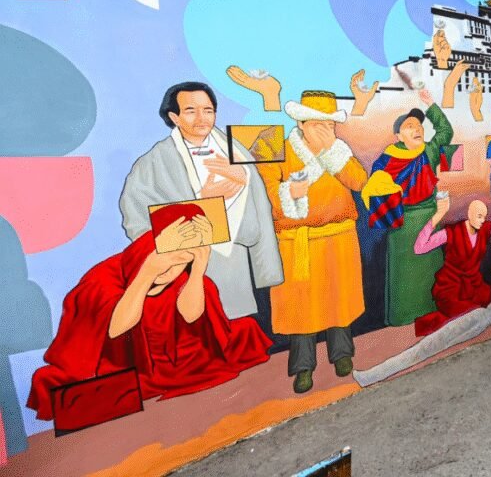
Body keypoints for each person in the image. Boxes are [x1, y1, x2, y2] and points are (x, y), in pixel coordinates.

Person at [27, 204, 271, 423]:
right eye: (169, 256)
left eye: (182, 261)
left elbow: (191, 316)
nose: (171, 268)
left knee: (245, 331)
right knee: (62, 390)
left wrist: (197, 269)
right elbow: (116, 329)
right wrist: (147, 273)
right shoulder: (104, 279)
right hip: (125, 364)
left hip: (177, 362)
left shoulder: (189, 278)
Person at [120, 82, 283, 321]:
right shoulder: (153, 162)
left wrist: (245, 178)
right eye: (190, 111)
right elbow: (136, 218)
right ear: (174, 117)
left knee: (241, 326)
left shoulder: (236, 150)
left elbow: (260, 201)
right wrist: (201, 201)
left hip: (238, 259)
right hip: (186, 263)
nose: (201, 118)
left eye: (208, 110)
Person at [257, 91, 368, 394]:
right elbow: (267, 191)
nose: (325, 131)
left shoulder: (339, 152)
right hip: (299, 243)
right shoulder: (279, 150)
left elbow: (359, 181)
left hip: (338, 237)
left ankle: (342, 354)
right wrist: (289, 193)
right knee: (301, 308)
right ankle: (303, 367)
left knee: (339, 301)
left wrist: (331, 151)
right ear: (301, 123)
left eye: (330, 125)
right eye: (318, 124)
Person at [361, 87, 453, 327]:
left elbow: (446, 131)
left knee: (432, 272)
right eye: (410, 126)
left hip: (430, 217)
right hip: (402, 225)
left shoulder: (429, 151)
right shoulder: (386, 161)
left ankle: (432, 312)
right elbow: (377, 195)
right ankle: (404, 320)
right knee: (405, 275)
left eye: (419, 125)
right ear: (398, 135)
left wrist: (430, 104)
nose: (417, 129)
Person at [412, 181, 491, 337]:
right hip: (450, 286)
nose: (482, 220)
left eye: (484, 217)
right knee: (464, 312)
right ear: (469, 214)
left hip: (473, 285)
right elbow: (419, 248)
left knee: (482, 302)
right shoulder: (452, 232)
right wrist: (438, 216)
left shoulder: (484, 229)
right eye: (479, 216)